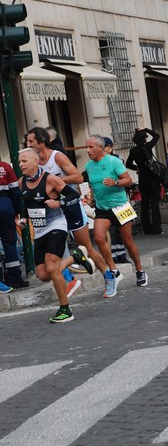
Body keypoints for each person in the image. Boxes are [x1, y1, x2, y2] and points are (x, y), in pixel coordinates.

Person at [26, 127, 115, 298]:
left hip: (69, 205)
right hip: (51, 212)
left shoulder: (56, 156)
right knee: (55, 252)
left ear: (41, 142)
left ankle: (108, 276)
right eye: (27, 142)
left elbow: (78, 177)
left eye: (31, 141)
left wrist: (55, 180)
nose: (28, 144)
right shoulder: (32, 162)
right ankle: (69, 280)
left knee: (86, 248)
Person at [17, 148, 94, 323]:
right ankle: (76, 257)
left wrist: (59, 202)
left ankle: (65, 309)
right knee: (43, 275)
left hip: (56, 224)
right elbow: (25, 203)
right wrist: (22, 219)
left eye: (24, 161)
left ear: (35, 162)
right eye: (20, 161)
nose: (21, 164)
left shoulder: (50, 179)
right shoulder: (21, 182)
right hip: (39, 229)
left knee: (52, 267)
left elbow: (74, 195)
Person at [85, 134, 148, 292]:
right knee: (99, 237)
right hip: (103, 208)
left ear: (100, 148)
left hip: (120, 206)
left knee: (127, 241)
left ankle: (140, 270)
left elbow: (129, 180)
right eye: (86, 147)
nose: (88, 150)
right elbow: (93, 184)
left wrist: (115, 183)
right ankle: (114, 270)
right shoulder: (88, 166)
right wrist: (91, 197)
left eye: (91, 147)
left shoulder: (113, 161)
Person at [126, 128, 162, 235]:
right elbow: (156, 136)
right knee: (155, 203)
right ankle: (157, 228)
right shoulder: (148, 146)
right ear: (145, 138)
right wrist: (146, 129)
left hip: (142, 179)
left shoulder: (133, 151)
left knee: (144, 204)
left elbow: (128, 164)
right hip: (152, 178)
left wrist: (137, 168)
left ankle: (146, 228)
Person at [0, 158, 29, 292]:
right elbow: (15, 191)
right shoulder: (5, 167)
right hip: (5, 205)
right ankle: (15, 277)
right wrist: (18, 211)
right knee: (9, 242)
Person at [103, 136, 130, 264]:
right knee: (111, 229)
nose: (103, 150)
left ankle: (121, 253)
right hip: (106, 199)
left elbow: (125, 177)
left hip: (120, 198)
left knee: (122, 229)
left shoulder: (117, 160)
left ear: (110, 148)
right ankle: (112, 253)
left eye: (105, 147)